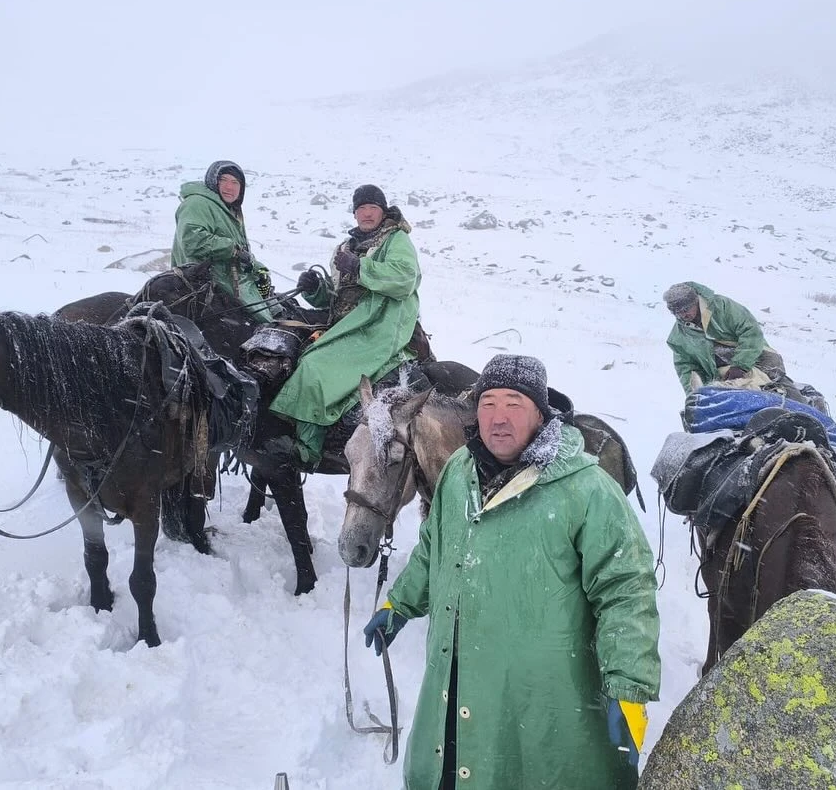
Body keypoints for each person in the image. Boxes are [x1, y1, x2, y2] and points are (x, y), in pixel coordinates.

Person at [363, 354, 660, 790]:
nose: (498, 418)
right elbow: (434, 547)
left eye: (514, 404)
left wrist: (628, 685)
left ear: (541, 413)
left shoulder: (587, 489)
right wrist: (400, 604)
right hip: (456, 680)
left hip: (544, 698)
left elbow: (626, 588)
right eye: (488, 404)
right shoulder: (458, 472)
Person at [268, 184, 421, 467]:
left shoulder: (396, 240)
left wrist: (360, 267)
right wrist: (315, 290)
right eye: (361, 208)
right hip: (347, 324)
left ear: (382, 211)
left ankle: (308, 449)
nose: (367, 213)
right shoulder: (345, 248)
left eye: (372, 207)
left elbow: (404, 278)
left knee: (314, 367)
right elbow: (338, 296)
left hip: (379, 325)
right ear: (354, 213)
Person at [171, 160, 281, 324]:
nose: (229, 187)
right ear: (212, 182)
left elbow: (241, 250)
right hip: (206, 289)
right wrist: (232, 250)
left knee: (276, 316)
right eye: (223, 180)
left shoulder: (228, 210)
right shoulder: (197, 203)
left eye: (235, 182)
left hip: (228, 284)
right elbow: (192, 240)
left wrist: (257, 268)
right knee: (262, 327)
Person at [663, 281, 789, 394]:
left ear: (695, 301)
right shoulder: (678, 338)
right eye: (676, 312)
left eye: (685, 309)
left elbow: (750, 331)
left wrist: (740, 366)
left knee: (778, 385)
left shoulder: (723, 307)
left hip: (757, 358)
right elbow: (686, 368)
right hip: (721, 378)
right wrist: (695, 395)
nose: (682, 315)